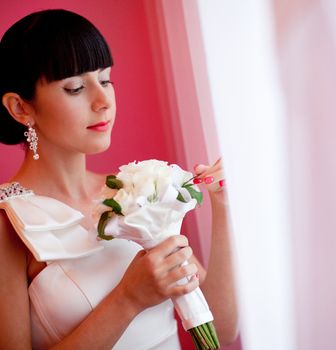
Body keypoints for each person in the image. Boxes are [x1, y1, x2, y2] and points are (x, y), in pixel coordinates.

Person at [0, 9, 238, 349]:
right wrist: (128, 298)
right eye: (76, 87)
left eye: (105, 79)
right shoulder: (7, 222)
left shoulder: (134, 191)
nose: (102, 101)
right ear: (21, 108)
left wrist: (223, 207)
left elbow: (222, 330)